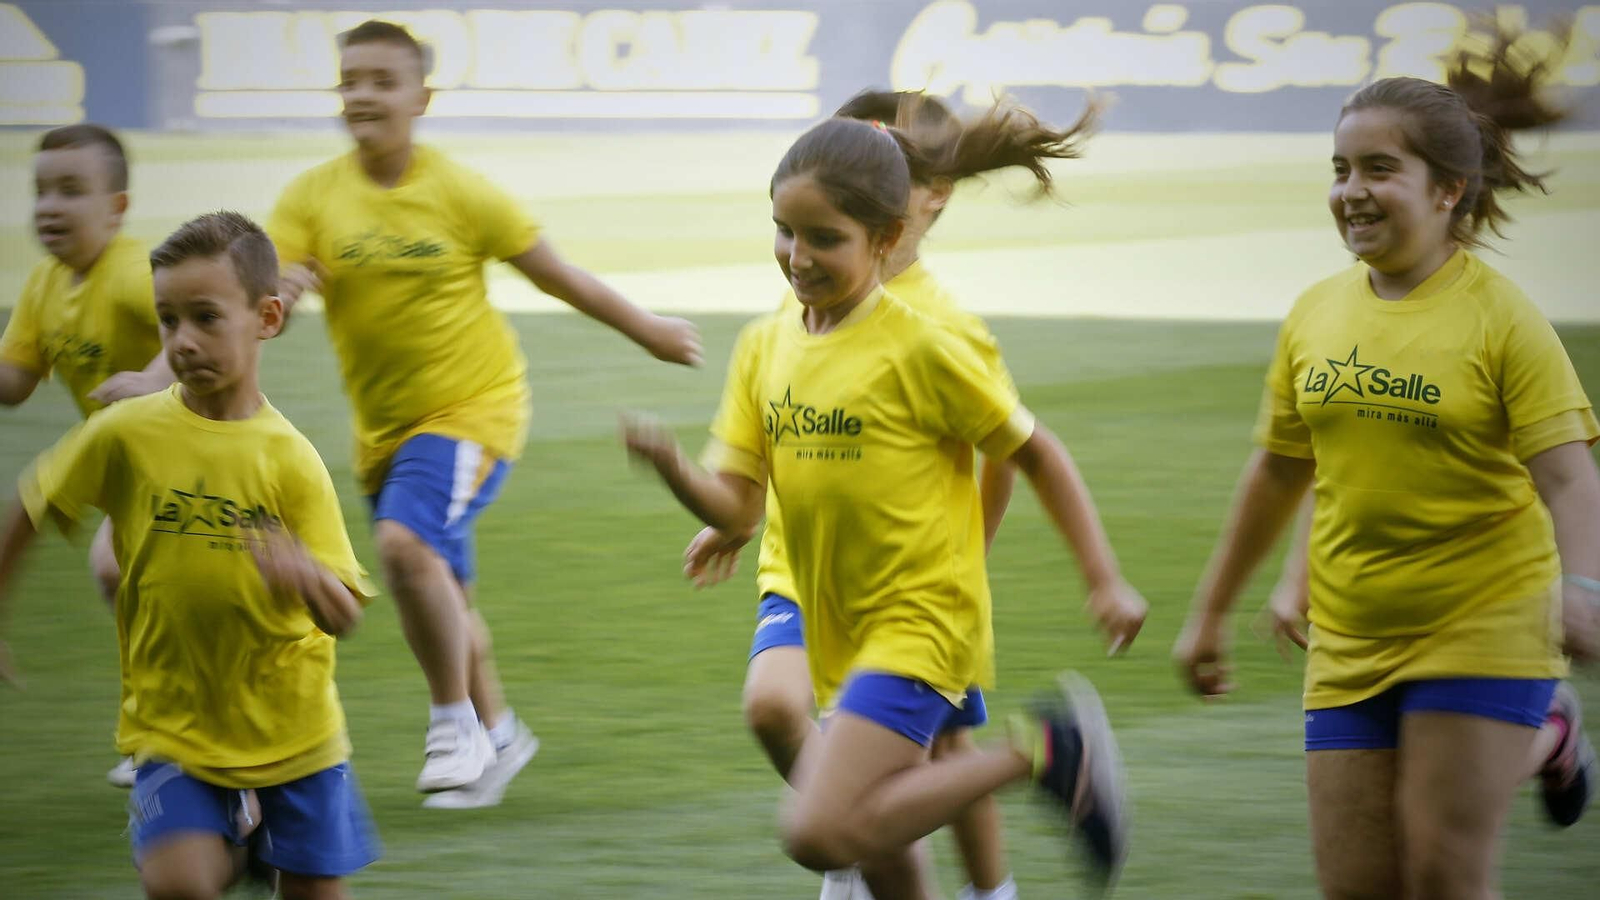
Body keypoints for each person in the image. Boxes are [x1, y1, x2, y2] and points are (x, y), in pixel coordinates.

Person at [623, 116, 1147, 897]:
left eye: (823, 238)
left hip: (920, 621)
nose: (797, 258)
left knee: (820, 830)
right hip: (839, 621)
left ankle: (1042, 752)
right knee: (855, 819)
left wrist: (1102, 578)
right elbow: (736, 504)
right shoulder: (764, 347)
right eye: (783, 231)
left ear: (885, 236)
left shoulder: (923, 345)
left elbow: (1032, 451)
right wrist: (672, 470)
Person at [1174, 27, 1600, 898]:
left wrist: (1585, 590)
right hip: (1352, 633)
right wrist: (1211, 614)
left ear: (1447, 190)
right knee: (1357, 886)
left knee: (1444, 874)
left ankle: (1543, 724)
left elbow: (1568, 476)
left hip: (1483, 623)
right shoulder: (1316, 313)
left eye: (1378, 169)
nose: (1351, 192)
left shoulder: (1503, 320)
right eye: (1340, 169)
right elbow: (1281, 470)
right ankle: (1547, 738)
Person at [266, 19, 702, 804]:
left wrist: (650, 332)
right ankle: (500, 736)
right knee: (443, 590)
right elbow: (254, 290)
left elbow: (556, 275)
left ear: (420, 97)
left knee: (403, 549)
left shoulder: (462, 192)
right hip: (385, 433)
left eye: (382, 80)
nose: (363, 94)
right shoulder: (311, 198)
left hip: (475, 410)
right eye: (350, 80)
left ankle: (452, 721)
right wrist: (281, 291)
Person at [0, 211, 380, 900]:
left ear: (266, 317)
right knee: (177, 885)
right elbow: (28, 508)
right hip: (173, 730)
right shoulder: (127, 433)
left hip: (295, 737)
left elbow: (347, 612)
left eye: (206, 318)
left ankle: (249, 831)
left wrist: (303, 574)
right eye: (168, 320)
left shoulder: (289, 460)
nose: (182, 342)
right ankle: (234, 837)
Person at [0, 123, 175, 788]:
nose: (50, 206)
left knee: (111, 563)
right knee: (111, 571)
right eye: (41, 190)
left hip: (192, 454)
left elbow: (186, 326)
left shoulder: (132, 270)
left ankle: (171, 734)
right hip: (128, 467)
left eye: (71, 190)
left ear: (117, 207)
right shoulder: (46, 286)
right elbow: (15, 383)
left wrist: (152, 379)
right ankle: (160, 731)